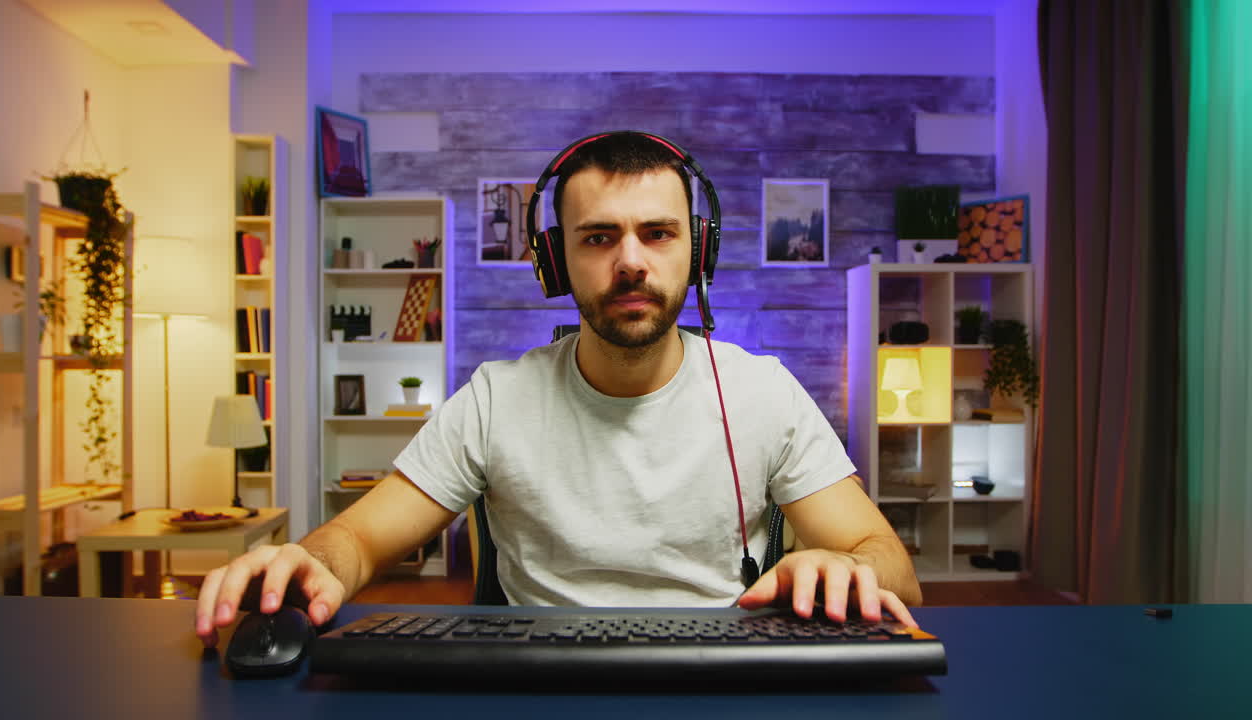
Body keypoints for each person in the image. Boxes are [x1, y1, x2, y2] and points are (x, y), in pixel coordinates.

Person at [195, 132, 922, 648]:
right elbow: (357, 538)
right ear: (554, 262)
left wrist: (851, 565)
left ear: (698, 251)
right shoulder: (495, 399)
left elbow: (892, 566)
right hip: (532, 682)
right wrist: (313, 564)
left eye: (658, 234)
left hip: (719, 673)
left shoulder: (763, 392)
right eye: (598, 237)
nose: (631, 262)